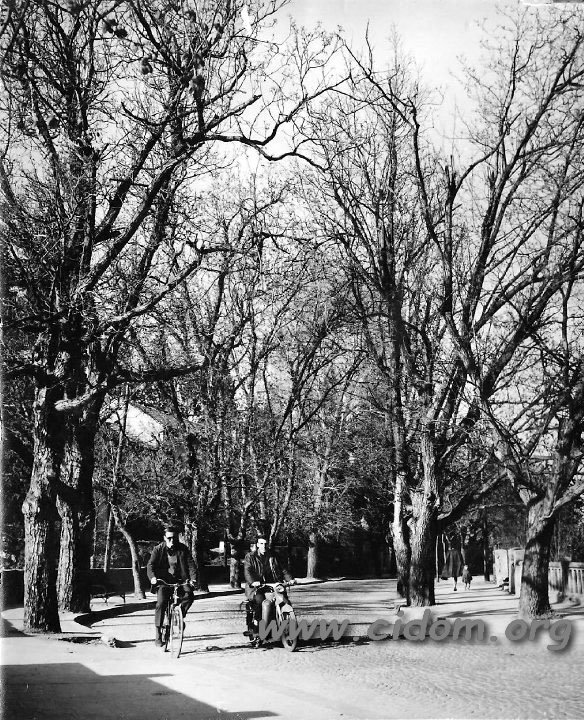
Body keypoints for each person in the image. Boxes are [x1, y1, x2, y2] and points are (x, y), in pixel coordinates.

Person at [147, 526, 197, 647]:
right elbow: (150, 565)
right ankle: (158, 633)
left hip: (180, 580)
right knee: (161, 603)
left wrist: (193, 578)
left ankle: (179, 616)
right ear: (164, 538)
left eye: (174, 538)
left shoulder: (183, 549)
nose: (172, 541)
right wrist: (153, 578)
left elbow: (191, 564)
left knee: (189, 596)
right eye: (169, 538)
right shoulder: (158, 549)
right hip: (163, 581)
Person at [244, 535, 296, 628]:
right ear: (257, 545)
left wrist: (290, 579)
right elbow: (248, 571)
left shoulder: (274, 556)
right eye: (261, 543)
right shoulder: (250, 556)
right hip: (258, 587)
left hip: (274, 584)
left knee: (284, 599)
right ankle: (257, 623)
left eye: (265, 543)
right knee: (260, 600)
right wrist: (253, 582)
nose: (264, 546)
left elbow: (283, 569)